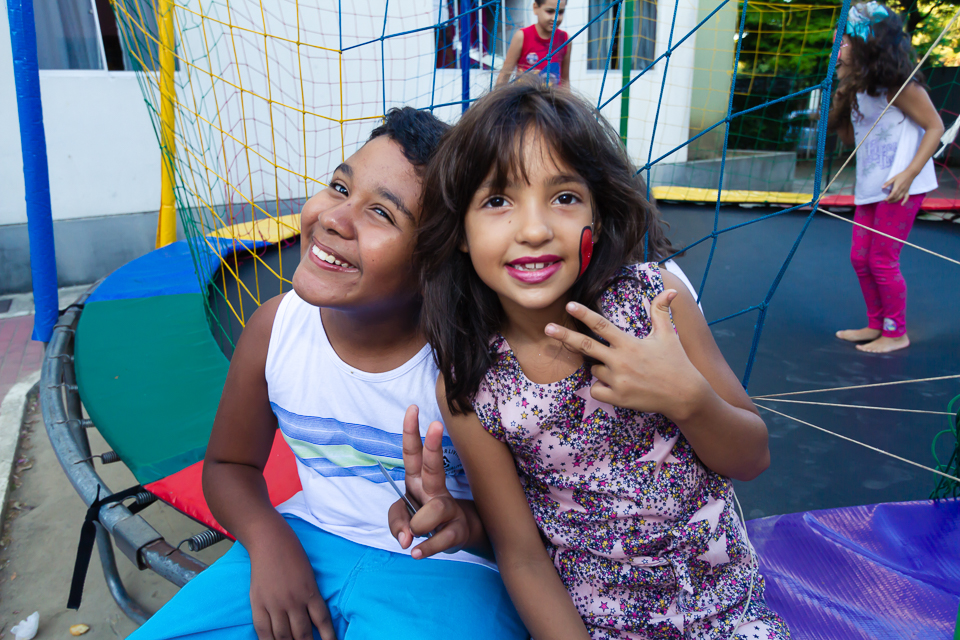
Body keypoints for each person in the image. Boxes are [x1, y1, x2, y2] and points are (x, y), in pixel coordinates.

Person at [127, 108, 527, 640]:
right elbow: (227, 465)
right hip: (305, 538)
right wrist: (269, 543)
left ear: (437, 256)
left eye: (382, 213)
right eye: (340, 187)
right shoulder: (275, 330)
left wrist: (466, 522)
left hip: (451, 569)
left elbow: (537, 527)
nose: (335, 217)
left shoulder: (474, 365)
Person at [410, 83, 790, 639]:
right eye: (497, 201)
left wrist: (687, 398)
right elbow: (522, 556)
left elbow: (751, 457)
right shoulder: (473, 382)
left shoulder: (654, 304)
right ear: (461, 232)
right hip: (599, 623)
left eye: (564, 197)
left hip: (722, 607)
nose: (535, 230)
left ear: (599, 211)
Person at [829, 1, 944, 353]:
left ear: (867, 45)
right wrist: (840, 96)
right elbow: (850, 140)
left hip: (901, 185)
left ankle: (896, 332)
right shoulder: (859, 88)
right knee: (860, 258)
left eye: (845, 42)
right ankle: (876, 323)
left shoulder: (899, 86)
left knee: (882, 259)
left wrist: (909, 173)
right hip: (872, 184)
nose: (838, 48)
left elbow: (935, 126)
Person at [496, 0, 571, 87]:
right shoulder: (522, 36)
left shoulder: (565, 40)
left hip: (552, 95)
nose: (555, 18)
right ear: (535, 8)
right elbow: (504, 75)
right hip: (525, 95)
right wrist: (497, 94)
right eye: (549, 11)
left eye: (560, 12)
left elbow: (565, 80)